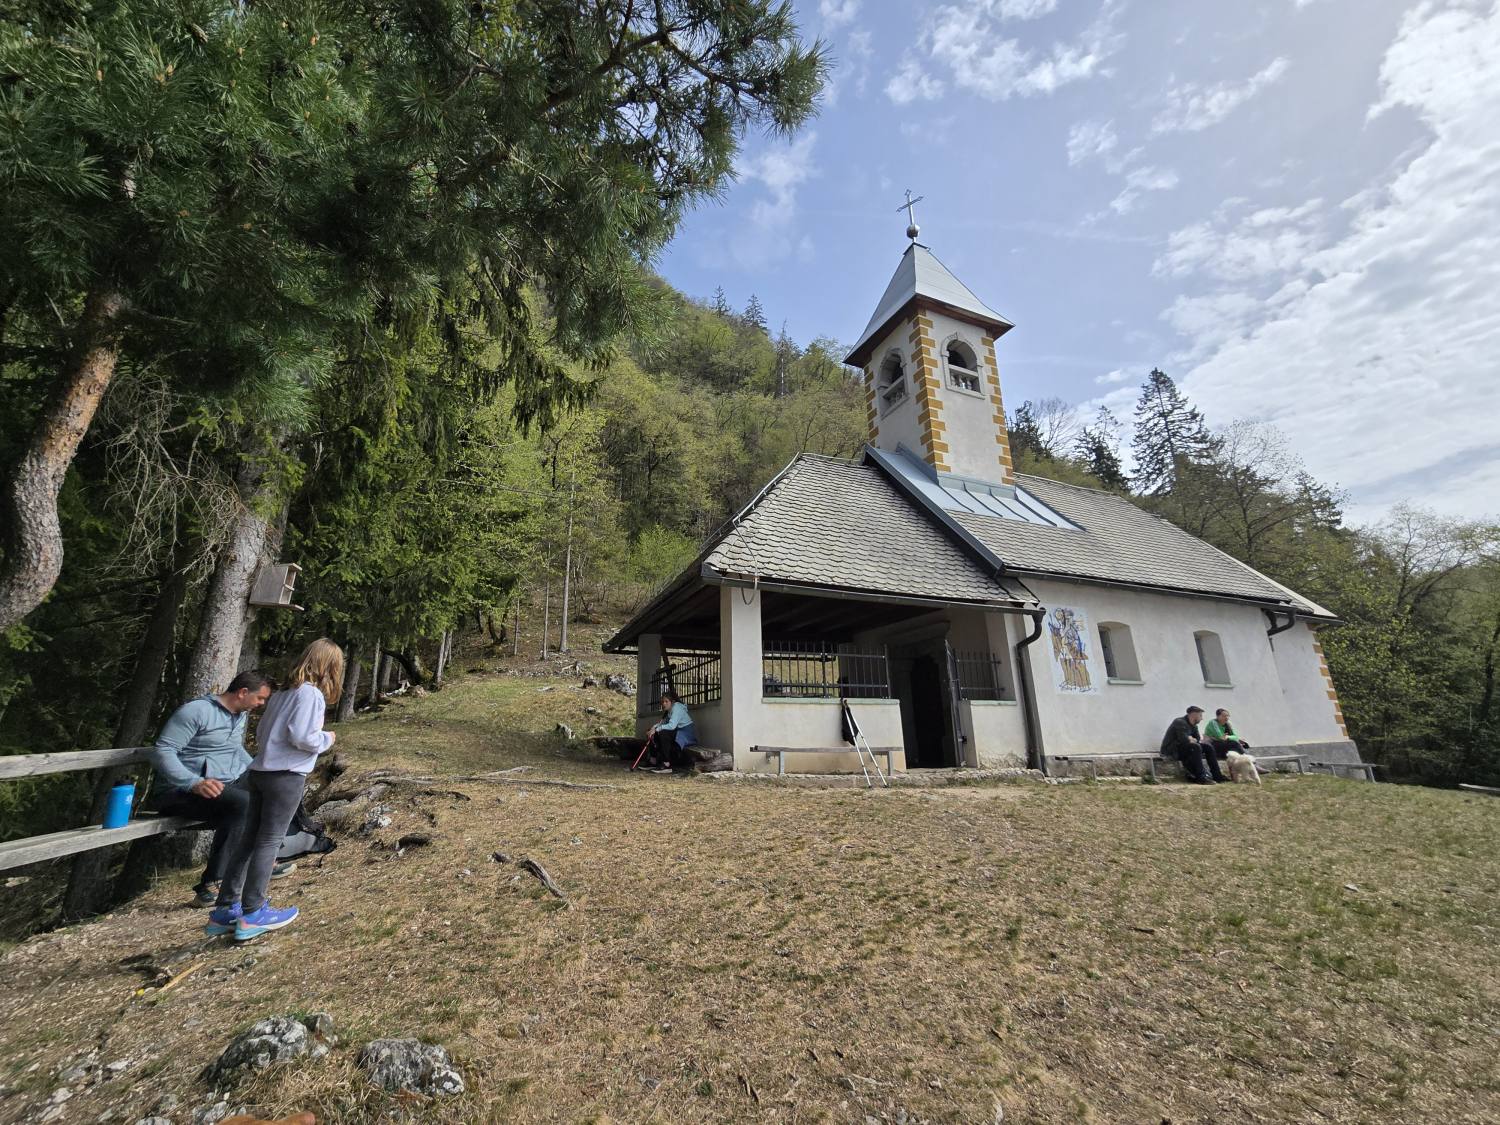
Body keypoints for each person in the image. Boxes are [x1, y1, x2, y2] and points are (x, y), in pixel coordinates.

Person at [205, 639, 343, 940]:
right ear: (330, 667)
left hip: (261, 771)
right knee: (270, 840)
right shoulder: (311, 695)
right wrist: (327, 739)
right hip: (286, 774)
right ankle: (254, 911)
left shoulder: (283, 693)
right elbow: (303, 737)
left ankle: (225, 908)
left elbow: (264, 730)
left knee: (249, 839)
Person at [149, 671, 295, 905]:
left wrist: (263, 772)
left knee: (271, 792)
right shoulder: (196, 711)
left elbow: (235, 750)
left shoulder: (238, 716)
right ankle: (211, 884)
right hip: (178, 792)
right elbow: (163, 751)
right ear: (243, 692)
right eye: (260, 698)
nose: (261, 704)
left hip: (221, 788)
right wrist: (193, 782)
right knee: (243, 804)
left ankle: (260, 862)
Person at [1160, 705, 1225, 784]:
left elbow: (1197, 739)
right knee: (1195, 746)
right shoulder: (1179, 722)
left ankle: (1217, 776)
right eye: (1200, 715)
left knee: (1208, 747)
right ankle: (1201, 778)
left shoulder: (1194, 726)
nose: (1202, 718)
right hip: (1172, 750)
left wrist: (1191, 739)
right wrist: (1190, 739)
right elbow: (1183, 740)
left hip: (1185, 748)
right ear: (1194, 714)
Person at [644, 689, 697, 775]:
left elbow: (671, 726)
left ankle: (666, 765)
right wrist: (652, 729)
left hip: (685, 735)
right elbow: (663, 723)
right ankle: (653, 762)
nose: (663, 704)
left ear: (672, 702)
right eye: (662, 702)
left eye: (666, 701)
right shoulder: (669, 710)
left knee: (663, 733)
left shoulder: (677, 708)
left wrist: (657, 729)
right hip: (676, 732)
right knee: (655, 732)